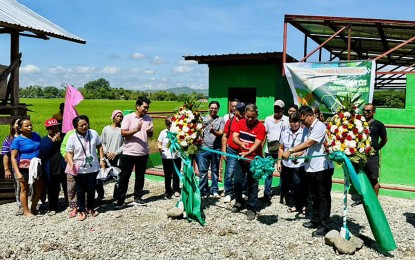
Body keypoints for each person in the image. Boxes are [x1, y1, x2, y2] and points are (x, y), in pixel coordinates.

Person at [282, 106, 334, 237]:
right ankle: (315, 220)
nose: (302, 123)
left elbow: (310, 143)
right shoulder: (310, 128)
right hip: (311, 167)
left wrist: (291, 150)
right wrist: (297, 155)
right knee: (314, 196)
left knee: (323, 197)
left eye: (303, 120)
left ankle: (324, 225)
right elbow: (307, 149)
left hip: (322, 168)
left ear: (309, 115)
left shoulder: (320, 126)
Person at [66, 115, 106, 221]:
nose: (84, 126)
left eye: (86, 124)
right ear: (76, 127)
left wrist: (102, 159)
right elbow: (69, 152)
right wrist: (71, 163)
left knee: (91, 189)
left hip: (92, 167)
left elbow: (100, 145)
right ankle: (82, 210)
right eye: (81, 125)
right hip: (79, 168)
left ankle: (91, 208)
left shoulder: (93, 133)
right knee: (80, 190)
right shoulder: (72, 137)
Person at [116, 97, 154, 208]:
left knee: (140, 176)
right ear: (137, 106)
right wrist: (136, 130)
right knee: (124, 177)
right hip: (129, 152)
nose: (146, 110)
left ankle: (138, 197)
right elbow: (123, 133)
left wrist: (150, 132)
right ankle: (121, 200)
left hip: (143, 152)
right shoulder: (128, 117)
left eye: (148, 108)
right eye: (144, 107)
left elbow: (150, 135)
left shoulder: (149, 118)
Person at [231, 104, 266, 221]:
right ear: (244, 114)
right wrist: (241, 144)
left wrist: (247, 152)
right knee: (237, 181)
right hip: (241, 158)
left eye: (253, 117)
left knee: (253, 184)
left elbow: (257, 144)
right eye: (248, 117)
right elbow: (235, 137)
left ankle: (251, 208)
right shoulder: (240, 123)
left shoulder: (261, 127)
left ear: (257, 115)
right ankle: (239, 200)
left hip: (255, 160)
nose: (250, 119)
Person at [355, 103, 387, 202]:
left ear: (374, 112)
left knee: (373, 179)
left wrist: (376, 148)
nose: (365, 112)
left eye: (368, 111)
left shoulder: (378, 124)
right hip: (360, 156)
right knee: (361, 177)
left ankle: (374, 202)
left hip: (372, 157)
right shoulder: (358, 123)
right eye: (364, 110)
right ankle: (363, 199)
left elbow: (384, 139)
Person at [10, 117, 42, 217]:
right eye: (26, 126)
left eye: (30, 125)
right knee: (24, 189)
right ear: (20, 128)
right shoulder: (18, 140)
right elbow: (13, 157)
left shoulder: (36, 135)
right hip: (24, 167)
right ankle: (26, 210)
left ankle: (33, 207)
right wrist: (17, 172)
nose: (30, 127)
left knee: (39, 188)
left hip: (37, 165)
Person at [277, 113, 308, 213]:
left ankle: (304, 204)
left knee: (300, 185)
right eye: (291, 122)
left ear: (299, 122)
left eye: (295, 122)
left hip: (299, 164)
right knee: (290, 185)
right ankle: (295, 204)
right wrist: (279, 162)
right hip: (287, 164)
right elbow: (281, 148)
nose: (293, 124)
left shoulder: (304, 133)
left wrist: (296, 154)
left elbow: (304, 148)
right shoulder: (285, 132)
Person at [197, 100, 225, 198]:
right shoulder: (203, 119)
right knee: (203, 172)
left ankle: (214, 190)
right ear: (209, 108)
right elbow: (198, 132)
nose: (213, 110)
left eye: (215, 108)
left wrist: (213, 131)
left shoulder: (221, 120)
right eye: (212, 108)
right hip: (204, 149)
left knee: (215, 170)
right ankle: (202, 190)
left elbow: (221, 133)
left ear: (218, 109)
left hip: (216, 149)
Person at [263, 100, 289, 202]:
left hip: (281, 150)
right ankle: (267, 193)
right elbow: (265, 134)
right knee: (268, 172)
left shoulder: (286, 120)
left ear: (283, 109)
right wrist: (261, 148)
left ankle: (282, 193)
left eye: (279, 108)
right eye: (275, 108)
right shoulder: (268, 119)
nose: (277, 110)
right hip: (269, 150)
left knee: (282, 172)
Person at [39, 118, 67, 216]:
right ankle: (53, 207)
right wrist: (53, 141)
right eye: (52, 128)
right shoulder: (44, 140)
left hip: (63, 166)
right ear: (48, 129)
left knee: (67, 186)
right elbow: (43, 152)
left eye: (56, 127)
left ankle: (70, 205)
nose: (55, 129)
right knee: (52, 189)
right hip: (51, 168)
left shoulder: (64, 137)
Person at [221, 102, 246, 203]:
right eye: (239, 110)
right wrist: (224, 151)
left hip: (243, 151)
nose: (241, 112)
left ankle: (243, 191)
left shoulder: (246, 121)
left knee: (244, 172)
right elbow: (225, 136)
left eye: (243, 110)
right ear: (235, 111)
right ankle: (228, 192)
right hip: (231, 150)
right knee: (229, 172)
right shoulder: (230, 121)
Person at [99, 110, 124, 200]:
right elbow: (102, 142)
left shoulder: (123, 130)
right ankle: (100, 195)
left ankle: (116, 195)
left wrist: (115, 153)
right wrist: (106, 152)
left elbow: (125, 144)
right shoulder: (106, 129)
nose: (119, 118)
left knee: (119, 176)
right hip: (106, 157)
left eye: (121, 116)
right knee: (101, 176)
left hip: (118, 157)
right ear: (113, 117)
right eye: (117, 116)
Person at [1, 116, 23, 215]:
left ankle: (31, 205)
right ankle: (21, 206)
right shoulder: (9, 139)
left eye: (20, 123)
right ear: (13, 125)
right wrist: (7, 169)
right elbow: (5, 155)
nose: (18, 125)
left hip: (29, 166)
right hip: (16, 167)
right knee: (18, 187)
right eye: (17, 123)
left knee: (31, 186)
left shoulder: (29, 136)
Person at [157, 116, 181, 199]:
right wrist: (160, 149)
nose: (170, 125)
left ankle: (176, 189)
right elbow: (159, 142)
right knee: (167, 175)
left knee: (176, 173)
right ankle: (168, 190)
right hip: (166, 156)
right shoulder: (163, 132)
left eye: (171, 123)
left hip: (176, 156)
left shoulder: (178, 132)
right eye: (168, 123)